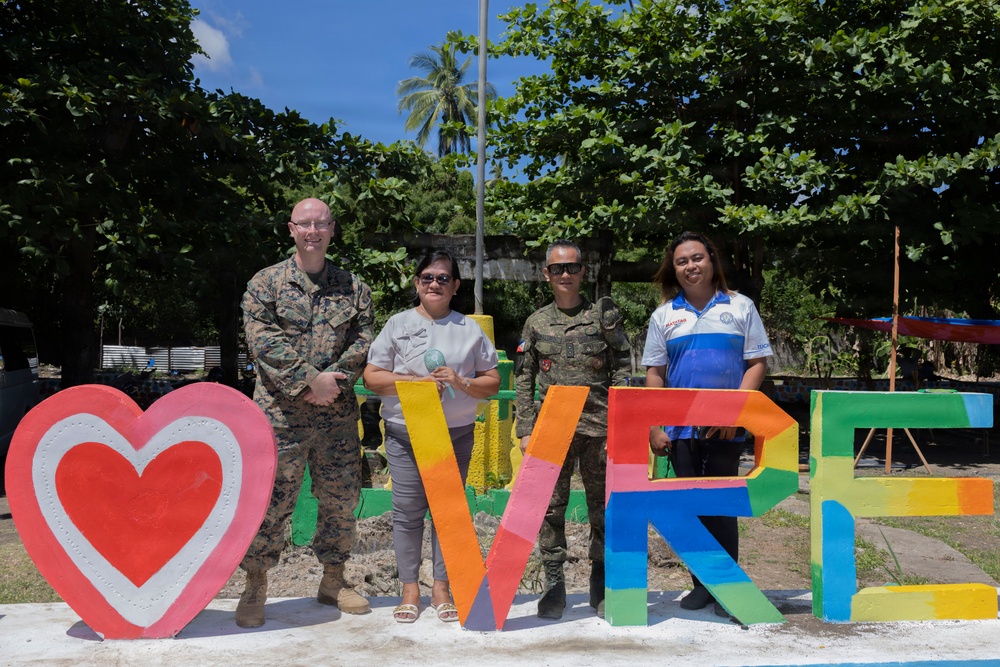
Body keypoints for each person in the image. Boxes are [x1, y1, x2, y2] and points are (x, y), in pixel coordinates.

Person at [236, 197, 374, 628]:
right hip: (280, 417)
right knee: (270, 501)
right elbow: (262, 342)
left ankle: (334, 579)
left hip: (335, 416)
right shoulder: (266, 283)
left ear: (332, 229)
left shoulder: (354, 288)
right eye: (305, 224)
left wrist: (330, 381)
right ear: (291, 229)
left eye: (321, 224)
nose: (313, 231)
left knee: (339, 499)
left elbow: (364, 340)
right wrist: (308, 381)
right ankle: (256, 582)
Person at [363, 250, 500, 624]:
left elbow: (492, 382)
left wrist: (462, 381)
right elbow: (372, 377)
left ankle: (442, 586)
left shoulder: (469, 329)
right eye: (427, 277)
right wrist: (415, 383)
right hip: (406, 433)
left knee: (447, 514)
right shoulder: (397, 324)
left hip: (454, 435)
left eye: (443, 278)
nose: (434, 284)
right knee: (407, 513)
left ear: (456, 286)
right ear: (416, 283)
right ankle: (409, 588)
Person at [642, 230, 772, 617]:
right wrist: (655, 424)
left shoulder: (741, 306)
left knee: (720, 507)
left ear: (712, 261)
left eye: (697, 258)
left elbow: (758, 364)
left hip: (726, 428)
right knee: (691, 508)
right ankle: (701, 586)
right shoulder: (664, 315)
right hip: (680, 430)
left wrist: (736, 412)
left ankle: (726, 587)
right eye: (682, 261)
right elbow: (655, 375)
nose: (690, 267)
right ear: (674, 269)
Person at [514, 240, 632, 620]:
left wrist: (623, 422)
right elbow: (524, 377)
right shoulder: (536, 322)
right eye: (558, 269)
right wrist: (525, 429)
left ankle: (600, 583)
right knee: (551, 510)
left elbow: (622, 366)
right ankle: (554, 586)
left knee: (603, 508)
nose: (566, 274)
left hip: (600, 429)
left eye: (573, 268)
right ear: (546, 274)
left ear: (583, 272)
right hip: (552, 431)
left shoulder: (603, 318)